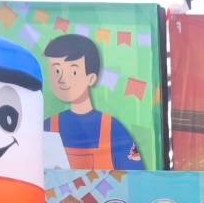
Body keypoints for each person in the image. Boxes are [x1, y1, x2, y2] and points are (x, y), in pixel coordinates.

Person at [43, 34, 145, 169]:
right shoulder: (47, 127)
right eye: (57, 71)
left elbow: (135, 177)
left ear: (91, 78)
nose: (62, 79)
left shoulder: (114, 129)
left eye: (73, 72)